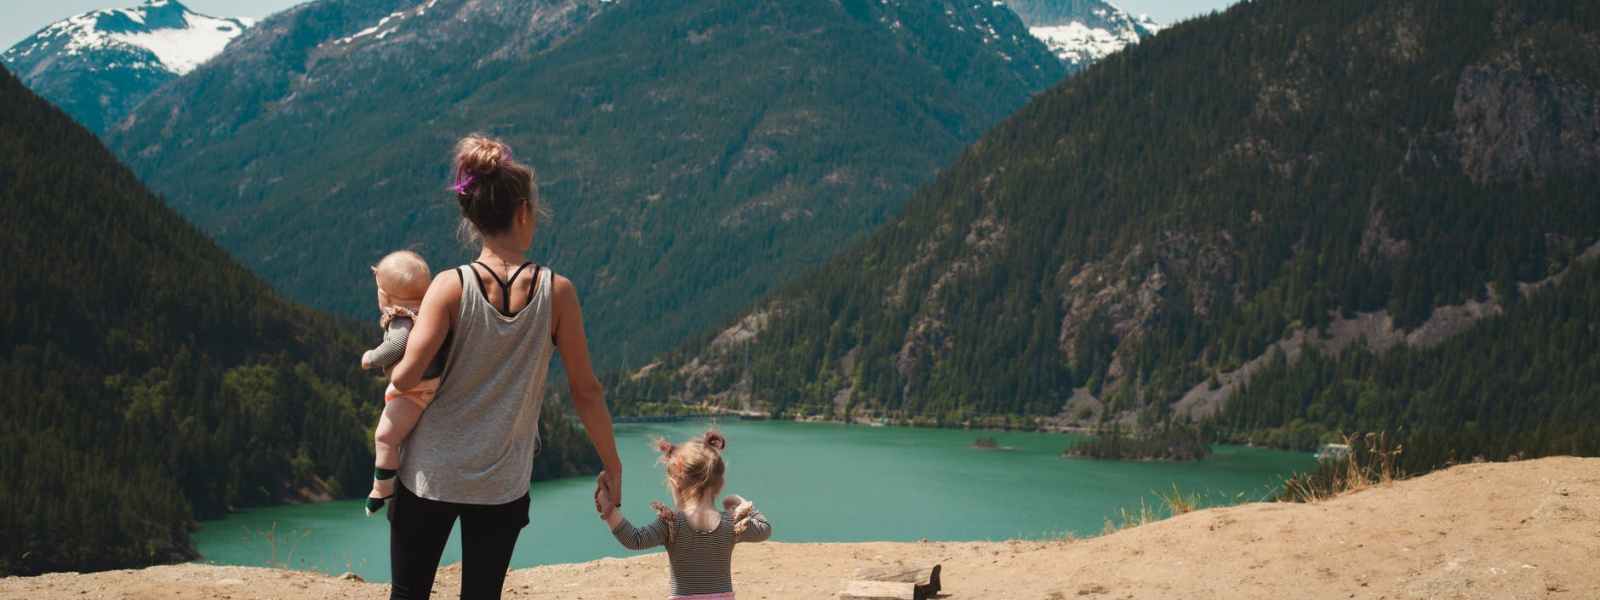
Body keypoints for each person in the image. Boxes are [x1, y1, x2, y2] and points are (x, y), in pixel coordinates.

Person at [386, 134, 624, 600]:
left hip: (430, 474)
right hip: (501, 484)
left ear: (473, 219)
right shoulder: (558, 293)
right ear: (522, 213)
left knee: (408, 594)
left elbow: (405, 376)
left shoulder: (449, 286)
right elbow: (586, 391)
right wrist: (612, 464)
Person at [600, 431, 772, 600]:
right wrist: (741, 503)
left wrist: (608, 508)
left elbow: (634, 539)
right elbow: (765, 529)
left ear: (675, 483)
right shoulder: (731, 523)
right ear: (720, 484)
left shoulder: (672, 524)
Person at [359, 250, 447, 516]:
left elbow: (395, 346)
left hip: (415, 391)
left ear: (384, 295)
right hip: (434, 383)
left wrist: (371, 358)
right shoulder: (432, 311)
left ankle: (381, 487)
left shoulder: (402, 318)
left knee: (385, 436)